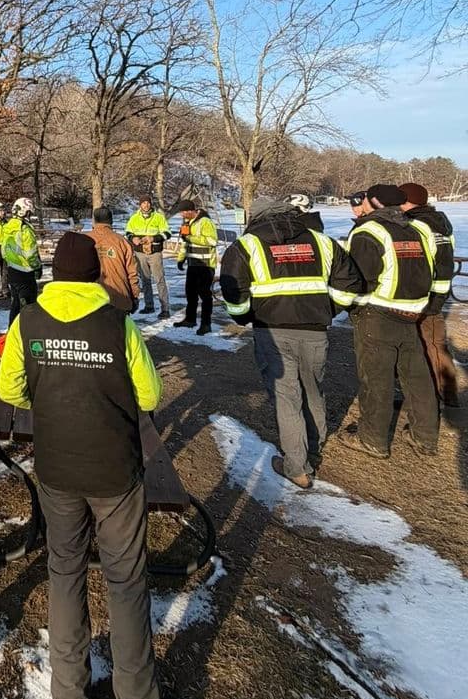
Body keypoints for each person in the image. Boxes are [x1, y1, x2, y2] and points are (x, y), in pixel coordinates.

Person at [0, 231, 189, 699]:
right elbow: (149, 395)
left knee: (65, 575)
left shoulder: (27, 322)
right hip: (115, 472)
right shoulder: (117, 325)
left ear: (54, 274)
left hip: (57, 470)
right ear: (95, 277)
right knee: (127, 583)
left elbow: (10, 389)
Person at [220, 196, 363, 488]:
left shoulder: (247, 245)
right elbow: (350, 284)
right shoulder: (322, 242)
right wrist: (329, 309)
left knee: (287, 397)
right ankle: (313, 446)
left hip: (271, 330)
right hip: (315, 330)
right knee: (313, 389)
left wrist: (244, 317)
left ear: (256, 218)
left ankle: (297, 467)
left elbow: (234, 291)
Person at [341, 183, 438, 459]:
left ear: (372, 202)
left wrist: (349, 306)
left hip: (378, 313)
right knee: (417, 378)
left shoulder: (369, 231)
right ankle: (425, 436)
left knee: (376, 378)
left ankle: (372, 439)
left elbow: (358, 278)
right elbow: (430, 266)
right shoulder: (419, 229)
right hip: (413, 311)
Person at [400, 182, 458, 409]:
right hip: (441, 290)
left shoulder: (416, 225)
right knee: (436, 344)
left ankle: (436, 398)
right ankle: (447, 393)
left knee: (426, 346)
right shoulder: (441, 223)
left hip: (423, 293)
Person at [173, 200, 218, 334]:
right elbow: (185, 243)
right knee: (190, 293)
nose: (181, 215)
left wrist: (191, 238)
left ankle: (206, 324)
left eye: (183, 212)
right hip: (192, 264)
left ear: (190, 210)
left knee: (205, 295)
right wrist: (181, 259)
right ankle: (190, 319)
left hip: (205, 265)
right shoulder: (187, 222)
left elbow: (212, 241)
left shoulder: (205, 222)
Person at [125, 196, 172, 318]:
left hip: (155, 253)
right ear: (140, 205)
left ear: (150, 204)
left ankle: (165, 309)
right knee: (145, 279)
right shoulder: (134, 218)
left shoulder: (158, 217)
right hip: (140, 253)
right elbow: (128, 232)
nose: (146, 205)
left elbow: (167, 233)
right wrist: (132, 238)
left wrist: (154, 238)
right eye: (143, 203)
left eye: (147, 203)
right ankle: (149, 306)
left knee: (159, 280)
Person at [91, 206, 140, 312]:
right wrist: (134, 296)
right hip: (119, 298)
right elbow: (132, 272)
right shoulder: (122, 242)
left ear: (94, 220)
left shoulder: (85, 240)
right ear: (111, 221)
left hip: (91, 299)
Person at [1, 197, 42, 324]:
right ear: (24, 211)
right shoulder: (25, 230)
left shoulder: (7, 227)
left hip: (12, 270)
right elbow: (31, 253)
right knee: (29, 307)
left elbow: (4, 250)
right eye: (29, 212)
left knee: (15, 305)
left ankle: (12, 331)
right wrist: (37, 267)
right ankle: (27, 334)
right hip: (26, 273)